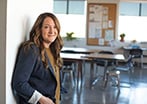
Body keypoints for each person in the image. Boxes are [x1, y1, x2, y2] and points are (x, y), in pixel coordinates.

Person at [12, 12, 64, 104]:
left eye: (55, 27)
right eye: (47, 27)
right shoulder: (31, 49)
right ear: (39, 29)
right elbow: (19, 83)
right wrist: (42, 99)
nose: (52, 31)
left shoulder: (53, 49)